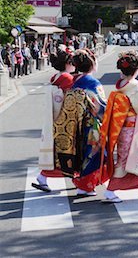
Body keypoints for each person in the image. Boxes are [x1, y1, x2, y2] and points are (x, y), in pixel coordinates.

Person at [100, 51, 138, 203]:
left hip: (123, 128)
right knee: (130, 159)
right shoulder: (137, 87)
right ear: (137, 69)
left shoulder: (121, 86)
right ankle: (110, 190)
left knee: (130, 157)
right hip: (135, 129)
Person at [53, 48, 108, 196]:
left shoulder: (74, 81)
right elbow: (101, 107)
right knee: (93, 155)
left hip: (75, 125)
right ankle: (85, 185)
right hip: (91, 125)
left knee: (81, 154)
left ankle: (83, 183)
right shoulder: (93, 82)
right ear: (92, 64)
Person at [32, 48, 76, 192]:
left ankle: (44, 177)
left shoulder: (56, 77)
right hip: (64, 119)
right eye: (72, 62)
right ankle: (77, 179)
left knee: (57, 153)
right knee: (66, 152)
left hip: (54, 118)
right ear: (68, 63)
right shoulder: (67, 79)